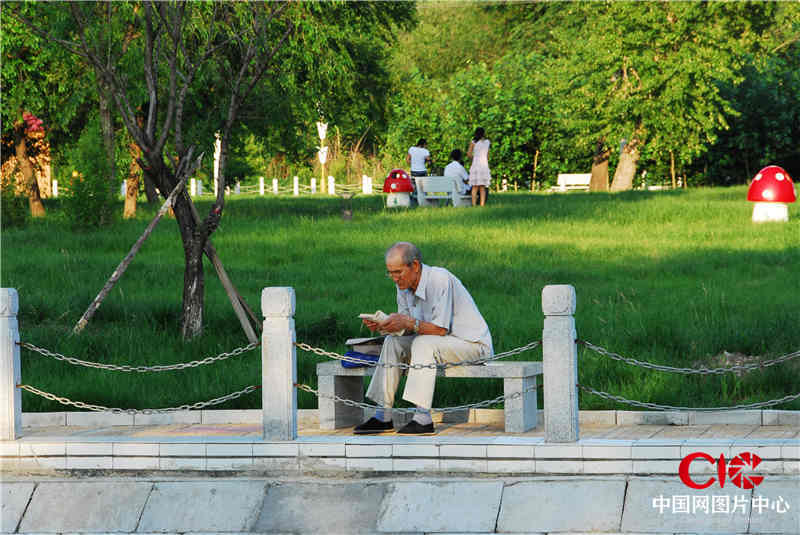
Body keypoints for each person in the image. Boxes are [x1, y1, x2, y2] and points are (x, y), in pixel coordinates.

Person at [355, 242, 493, 435]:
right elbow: (408, 329)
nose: (394, 278)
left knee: (423, 343)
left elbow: (440, 330)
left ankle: (422, 418)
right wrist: (385, 326)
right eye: (390, 273)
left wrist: (407, 322)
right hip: (437, 344)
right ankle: (383, 415)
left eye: (398, 272)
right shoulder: (403, 286)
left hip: (472, 345)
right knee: (393, 342)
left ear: (416, 266)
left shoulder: (440, 279)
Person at [467, 127, 491, 206]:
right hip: (484, 165)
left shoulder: (473, 142)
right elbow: (488, 156)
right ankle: (482, 204)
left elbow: (469, 154)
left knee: (474, 187)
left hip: (476, 165)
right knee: (482, 187)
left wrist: (474, 158)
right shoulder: (487, 142)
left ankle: (474, 204)